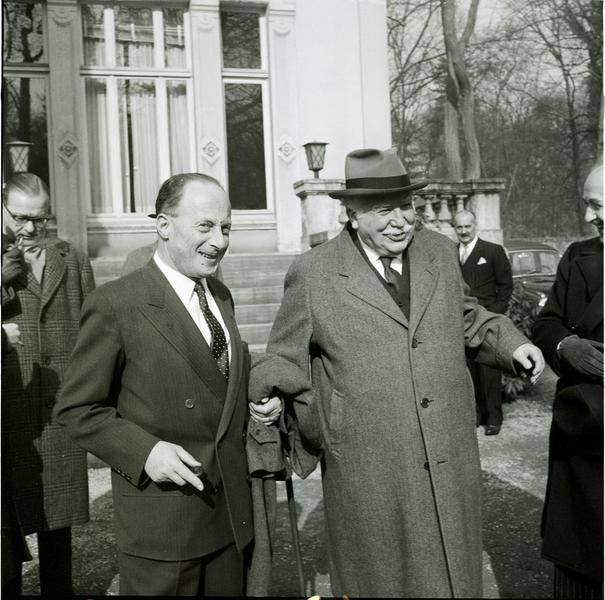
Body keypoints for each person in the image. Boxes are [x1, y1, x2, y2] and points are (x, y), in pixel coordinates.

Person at [249, 148, 545, 598]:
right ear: (353, 215)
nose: (401, 221)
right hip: (369, 465)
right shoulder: (314, 273)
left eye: (406, 207)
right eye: (384, 210)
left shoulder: (440, 253)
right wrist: (271, 393)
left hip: (446, 449)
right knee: (382, 577)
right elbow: (285, 356)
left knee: (452, 574)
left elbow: (467, 317)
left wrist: (513, 343)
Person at [55, 172, 279, 596]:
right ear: (163, 225)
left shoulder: (221, 296)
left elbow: (219, 381)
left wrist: (257, 399)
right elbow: (77, 409)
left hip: (228, 516)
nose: (220, 241)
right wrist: (146, 452)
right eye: (205, 226)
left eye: (226, 227)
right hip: (165, 530)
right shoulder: (116, 303)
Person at [1, 173, 94, 596]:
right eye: (20, 218)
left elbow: (95, 328)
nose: (30, 229)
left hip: (59, 406)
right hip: (11, 406)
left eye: (40, 219)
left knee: (59, 520)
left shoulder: (71, 258)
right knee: (10, 524)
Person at [532, 163, 603, 598]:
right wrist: (564, 347)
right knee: (579, 565)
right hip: (581, 434)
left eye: (597, 205)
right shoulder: (578, 255)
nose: (589, 216)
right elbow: (547, 323)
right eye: (588, 204)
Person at [454, 210, 513, 435]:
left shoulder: (492, 251)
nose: (464, 232)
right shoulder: (450, 253)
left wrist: (494, 314)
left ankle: (494, 419)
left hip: (486, 319)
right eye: (459, 227)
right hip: (461, 323)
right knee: (468, 371)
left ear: (475, 225)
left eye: (467, 227)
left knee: (489, 371)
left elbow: (505, 286)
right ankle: (476, 415)